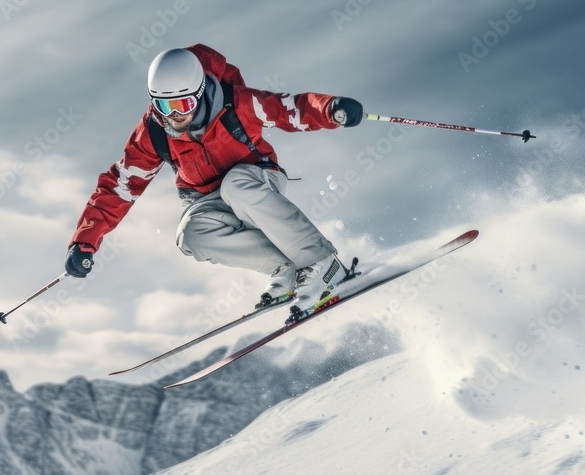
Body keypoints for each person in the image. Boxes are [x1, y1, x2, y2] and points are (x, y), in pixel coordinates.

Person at [64, 44, 363, 321]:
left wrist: (331, 109)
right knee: (190, 235)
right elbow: (120, 186)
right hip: (207, 198)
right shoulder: (153, 132)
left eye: (182, 104)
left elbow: (290, 109)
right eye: (164, 106)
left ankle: (322, 261)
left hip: (255, 180)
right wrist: (84, 242)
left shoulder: (237, 104)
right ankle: (285, 269)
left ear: (200, 92)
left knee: (236, 184)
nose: (174, 116)